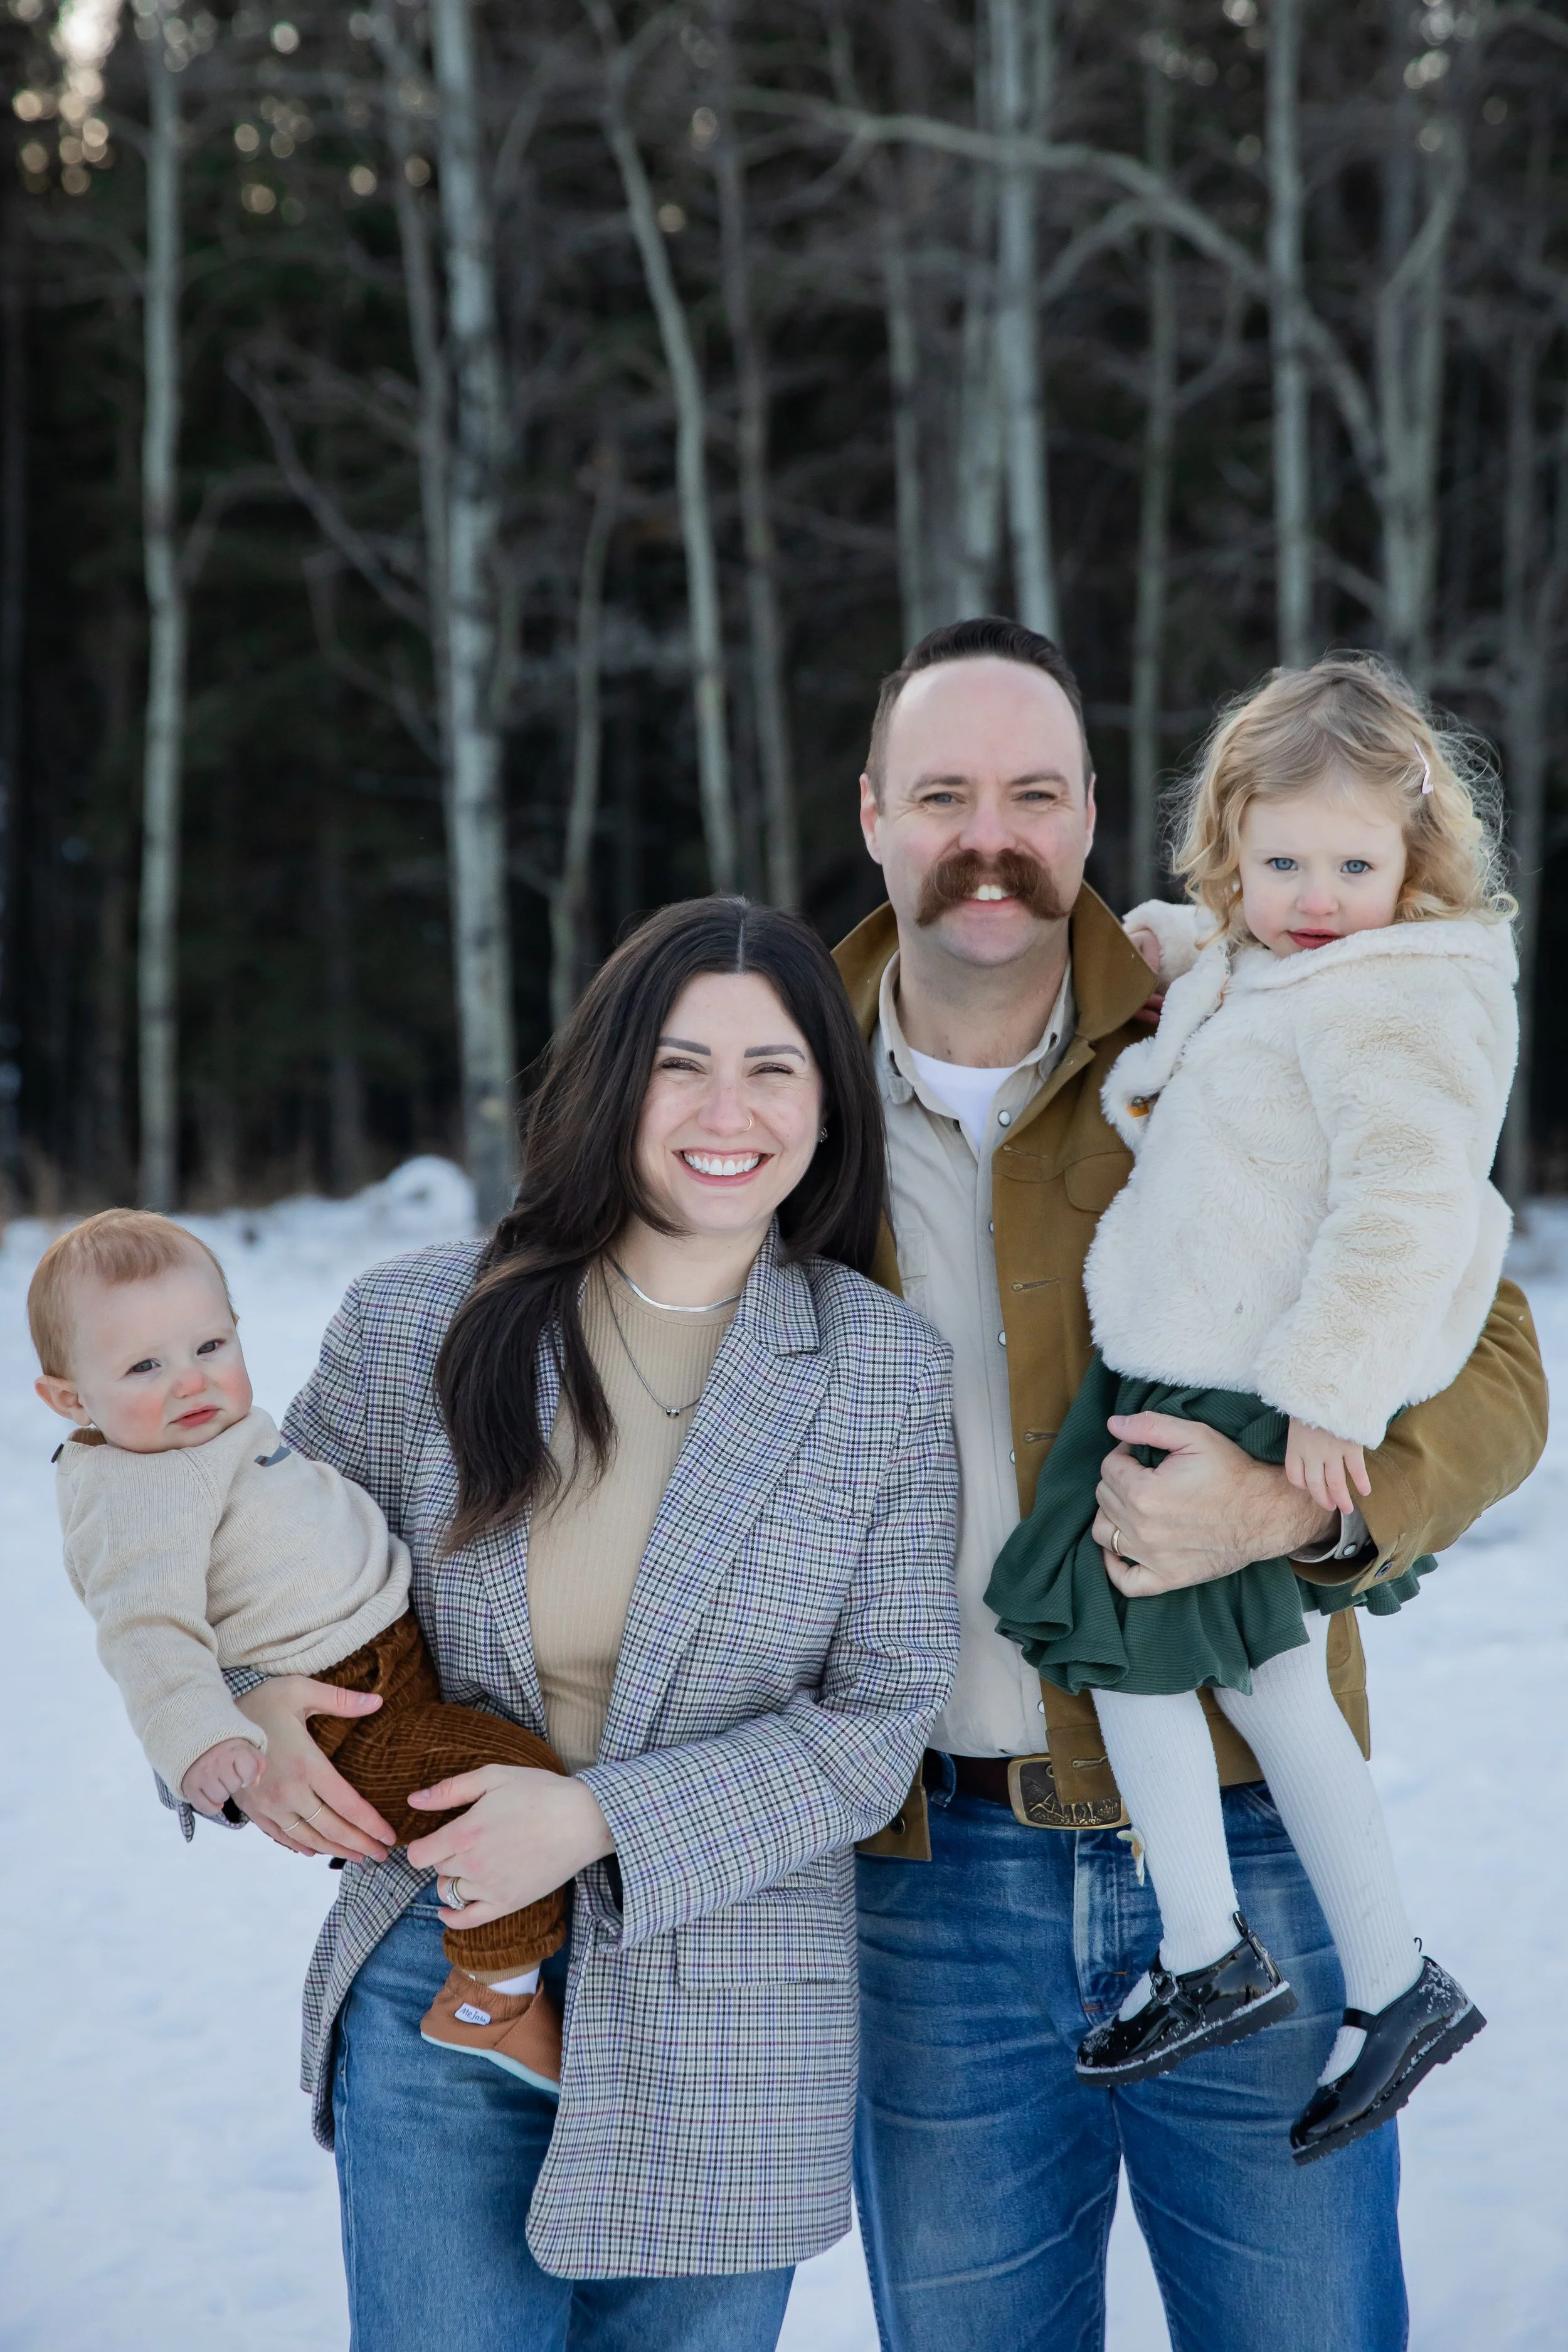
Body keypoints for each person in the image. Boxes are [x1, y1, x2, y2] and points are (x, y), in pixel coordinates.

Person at [834, 616, 1546, 2352]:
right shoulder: (773, 1083)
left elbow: (1500, 1363)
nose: (984, 833)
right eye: (941, 792)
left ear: (1086, 813)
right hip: (935, 1878)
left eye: (1028, 790)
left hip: (1252, 1828)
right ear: (872, 813)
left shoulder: (1255, 1001)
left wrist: (1307, 1500)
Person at [211, 896, 960, 2351]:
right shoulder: (417, 1321)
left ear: (826, 1105)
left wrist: (594, 1819)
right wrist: (247, 1704)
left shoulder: (879, 1374)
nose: (723, 1111)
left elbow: (876, 1722)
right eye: (681, 1065)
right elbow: (257, 1568)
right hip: (440, 1973)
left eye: (773, 1068)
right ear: (615, 1081)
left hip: (731, 2014)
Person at [985, 657, 1512, 2160]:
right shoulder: (1276, 959)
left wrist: (1329, 1397)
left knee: (1136, 1649)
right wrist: (1156, 937)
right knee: (1254, 1680)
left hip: (1247, 1382)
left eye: (1351, 863)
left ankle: (1215, 1950)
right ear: (1231, 848)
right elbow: (1218, 971)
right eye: (1277, 861)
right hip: (1193, 1354)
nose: (1314, 892)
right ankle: (1386, 1979)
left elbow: (1402, 1204)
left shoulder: (1400, 996)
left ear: (1415, 858)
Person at [32, 1209, 573, 2094]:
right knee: (499, 1777)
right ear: (70, 1397)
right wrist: (206, 1739)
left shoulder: (207, 1436)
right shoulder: (140, 1487)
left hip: (379, 1659)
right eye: (143, 1366)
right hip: (342, 1708)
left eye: (209, 1344)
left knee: (483, 1781)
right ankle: (493, 1994)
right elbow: (145, 1631)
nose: (190, 1380)